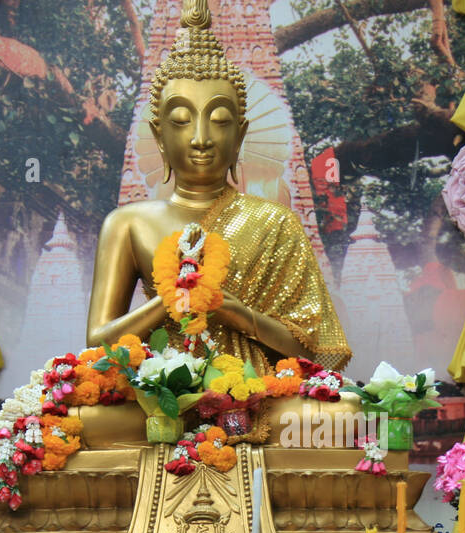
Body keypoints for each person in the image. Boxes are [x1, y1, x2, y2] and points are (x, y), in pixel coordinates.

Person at [86, 0, 350, 376]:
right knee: (94, 418)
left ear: (239, 135)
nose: (200, 138)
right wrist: (171, 301)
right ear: (159, 137)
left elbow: (313, 350)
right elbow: (97, 343)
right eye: (180, 120)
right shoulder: (127, 223)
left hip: (257, 390)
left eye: (219, 120)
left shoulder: (275, 221)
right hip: (163, 391)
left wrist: (233, 311)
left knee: (342, 412)